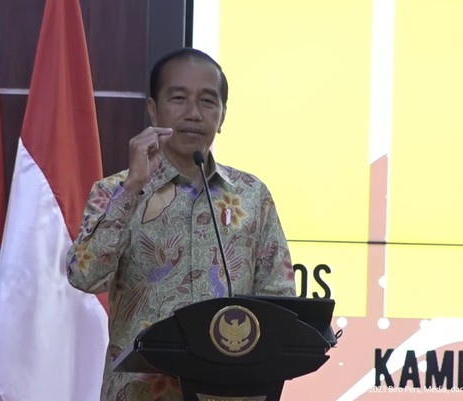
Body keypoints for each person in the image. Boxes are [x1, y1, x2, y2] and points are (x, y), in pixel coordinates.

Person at [66, 47, 296, 401]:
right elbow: (84, 276)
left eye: (207, 101)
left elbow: (279, 301)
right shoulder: (115, 191)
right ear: (153, 109)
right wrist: (133, 189)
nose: (193, 113)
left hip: (229, 393)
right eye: (178, 98)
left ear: (222, 115)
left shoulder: (252, 196)